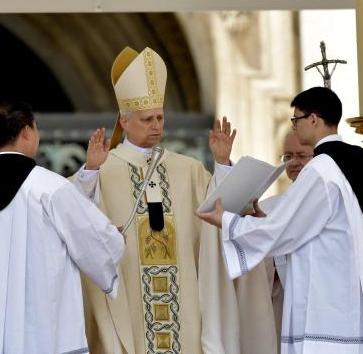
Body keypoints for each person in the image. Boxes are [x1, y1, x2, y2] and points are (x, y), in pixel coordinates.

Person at [72, 46, 275, 354]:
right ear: (124, 122)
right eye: (147, 119)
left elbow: (219, 215)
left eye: (160, 117)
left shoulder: (188, 170)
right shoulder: (104, 169)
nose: (156, 126)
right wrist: (89, 171)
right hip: (131, 303)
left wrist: (221, 164)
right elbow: (73, 214)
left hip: (185, 302)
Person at [196, 87, 363, 353]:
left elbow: (283, 231)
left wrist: (229, 221)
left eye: (296, 120)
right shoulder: (355, 168)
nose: (294, 127)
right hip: (354, 311)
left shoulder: (322, 169)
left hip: (324, 316)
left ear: (313, 119)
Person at [0, 100, 125, 354]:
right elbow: (91, 238)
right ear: (26, 131)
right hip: (43, 332)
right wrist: (115, 237)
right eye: (36, 127)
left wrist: (91, 169)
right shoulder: (48, 186)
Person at [257, 131, 363, 350]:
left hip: (339, 308)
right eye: (287, 156)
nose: (294, 163)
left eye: (301, 156)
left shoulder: (342, 195)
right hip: (288, 310)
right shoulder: (269, 208)